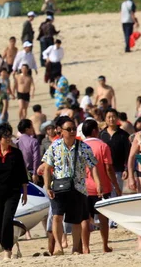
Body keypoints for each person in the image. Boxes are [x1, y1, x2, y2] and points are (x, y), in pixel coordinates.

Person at [42, 116, 101, 255]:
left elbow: (93, 166)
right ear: (61, 131)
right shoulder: (54, 147)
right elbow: (47, 168)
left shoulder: (84, 147)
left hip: (78, 187)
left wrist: (98, 183)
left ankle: (75, 247)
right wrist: (47, 186)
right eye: (69, 129)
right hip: (58, 187)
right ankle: (59, 246)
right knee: (57, 216)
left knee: (76, 219)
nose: (72, 131)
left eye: (74, 128)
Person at [0, 123, 29, 259]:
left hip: (13, 192)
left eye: (9, 136)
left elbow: (22, 174)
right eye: (5, 136)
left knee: (7, 219)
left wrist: (25, 192)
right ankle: (4, 245)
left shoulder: (16, 154)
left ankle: (7, 250)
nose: (8, 139)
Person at [82, 119, 121, 253]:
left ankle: (86, 247)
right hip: (102, 186)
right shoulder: (103, 146)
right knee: (103, 217)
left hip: (84, 187)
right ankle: (104, 245)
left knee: (85, 218)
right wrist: (116, 185)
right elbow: (109, 168)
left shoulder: (80, 146)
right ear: (94, 131)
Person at [99, 108, 131, 197]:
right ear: (105, 119)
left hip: (118, 170)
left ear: (117, 118)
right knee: (105, 195)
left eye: (113, 117)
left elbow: (128, 153)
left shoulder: (123, 135)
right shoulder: (101, 134)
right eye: (109, 117)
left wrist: (126, 169)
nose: (111, 119)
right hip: (104, 171)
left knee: (116, 195)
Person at [17, 119, 41, 184]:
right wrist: (35, 173)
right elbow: (36, 159)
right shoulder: (34, 141)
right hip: (32, 172)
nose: (33, 128)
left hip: (21, 172)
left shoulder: (17, 142)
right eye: (31, 126)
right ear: (27, 129)